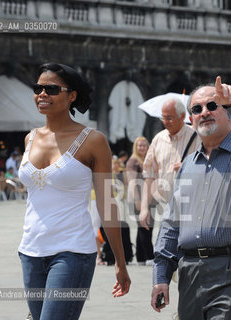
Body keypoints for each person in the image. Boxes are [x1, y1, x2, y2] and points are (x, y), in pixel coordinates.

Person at [151, 76, 231, 320]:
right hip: (192, 273)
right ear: (191, 119)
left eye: (212, 105)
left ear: (227, 113)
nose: (204, 112)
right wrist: (161, 276)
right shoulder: (187, 165)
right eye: (197, 109)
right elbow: (172, 222)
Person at [18, 63, 130, 320]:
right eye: (38, 88)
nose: (42, 94)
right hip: (30, 252)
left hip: (72, 253)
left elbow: (107, 204)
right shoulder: (30, 138)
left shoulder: (93, 141)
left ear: (72, 96)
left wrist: (120, 263)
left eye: (51, 89)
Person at [140, 98, 201, 230]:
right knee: (161, 249)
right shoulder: (158, 139)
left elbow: (209, 172)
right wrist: (145, 208)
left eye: (170, 118)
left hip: (191, 208)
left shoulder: (198, 138)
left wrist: (188, 168)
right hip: (163, 207)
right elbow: (149, 176)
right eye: (163, 118)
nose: (165, 122)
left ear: (182, 116)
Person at [126, 137, 154, 265]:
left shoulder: (146, 160)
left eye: (144, 145)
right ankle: (149, 256)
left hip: (148, 198)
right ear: (135, 147)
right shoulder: (132, 161)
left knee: (143, 228)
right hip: (138, 199)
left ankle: (141, 258)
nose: (142, 148)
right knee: (145, 227)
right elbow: (132, 183)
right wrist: (138, 200)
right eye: (139, 146)